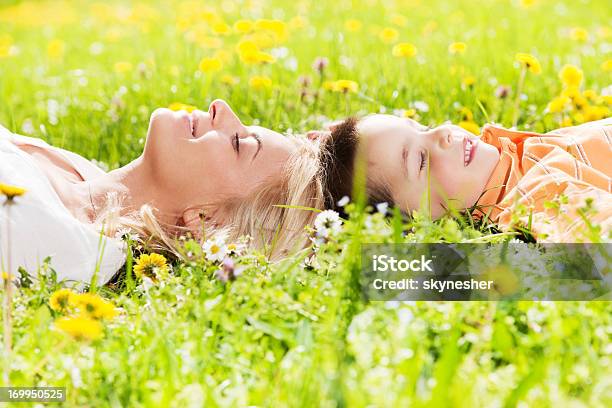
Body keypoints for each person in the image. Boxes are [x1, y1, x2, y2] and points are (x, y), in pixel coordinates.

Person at [0, 99, 326, 287]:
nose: (221, 108)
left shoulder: (47, 238)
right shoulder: (80, 174)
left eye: (239, 143)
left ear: (206, 222)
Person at [312, 114, 611, 242]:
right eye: (421, 160)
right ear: (420, 221)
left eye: (422, 126)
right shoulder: (535, 195)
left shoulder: (504, 158)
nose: (441, 134)